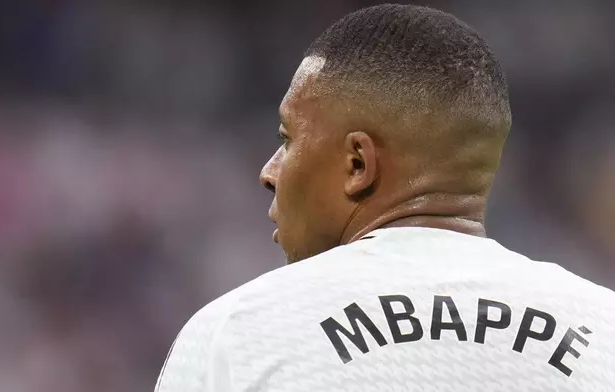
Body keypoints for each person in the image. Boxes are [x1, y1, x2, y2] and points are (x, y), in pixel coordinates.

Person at [154, 4, 615, 391]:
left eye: (287, 139)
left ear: (358, 164)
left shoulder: (240, 334)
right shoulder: (604, 333)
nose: (269, 172)